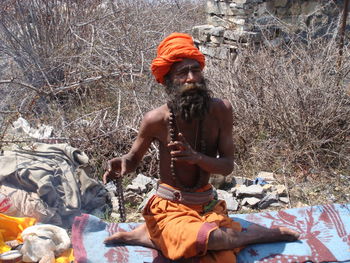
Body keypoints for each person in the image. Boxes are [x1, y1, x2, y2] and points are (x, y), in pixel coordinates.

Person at [103, 33, 299, 263]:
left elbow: (227, 166)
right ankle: (255, 235)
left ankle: (152, 236)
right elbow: (133, 159)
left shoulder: (221, 110)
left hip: (207, 205)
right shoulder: (155, 119)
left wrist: (196, 157)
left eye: (195, 70)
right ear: (167, 80)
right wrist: (124, 163)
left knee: (220, 256)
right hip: (170, 207)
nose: (191, 78)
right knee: (213, 242)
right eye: (182, 73)